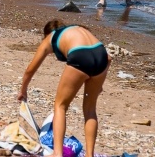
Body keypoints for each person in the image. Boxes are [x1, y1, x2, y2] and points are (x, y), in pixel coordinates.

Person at [18, 19, 110, 157]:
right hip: (101, 55)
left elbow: (30, 69)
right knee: (90, 110)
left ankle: (57, 153)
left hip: (81, 56)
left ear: (47, 34)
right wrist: (99, 84)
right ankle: (89, 155)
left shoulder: (50, 38)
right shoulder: (77, 29)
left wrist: (23, 90)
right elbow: (108, 58)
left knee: (60, 106)